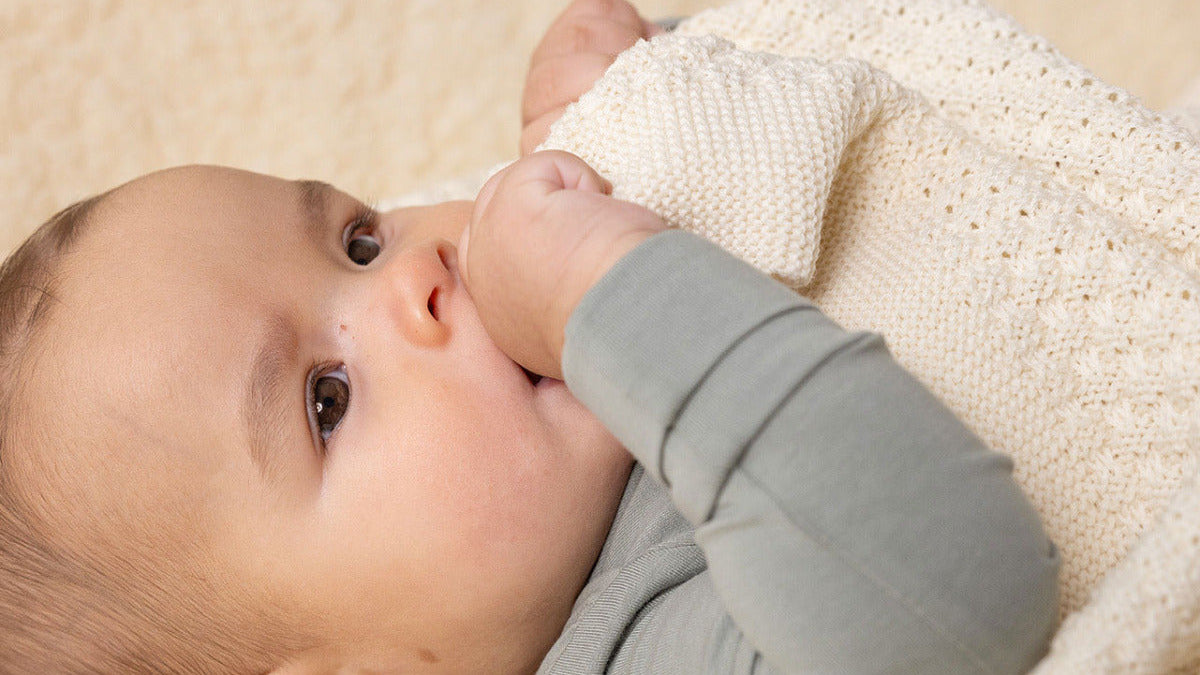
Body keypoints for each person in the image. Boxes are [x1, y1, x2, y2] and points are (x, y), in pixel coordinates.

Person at [0, 1, 1059, 672]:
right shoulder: (639, 648)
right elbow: (960, 600)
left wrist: (630, 114)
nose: (417, 273)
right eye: (327, 399)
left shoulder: (527, 393)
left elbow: (832, 140)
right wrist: (612, 286)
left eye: (359, 239)